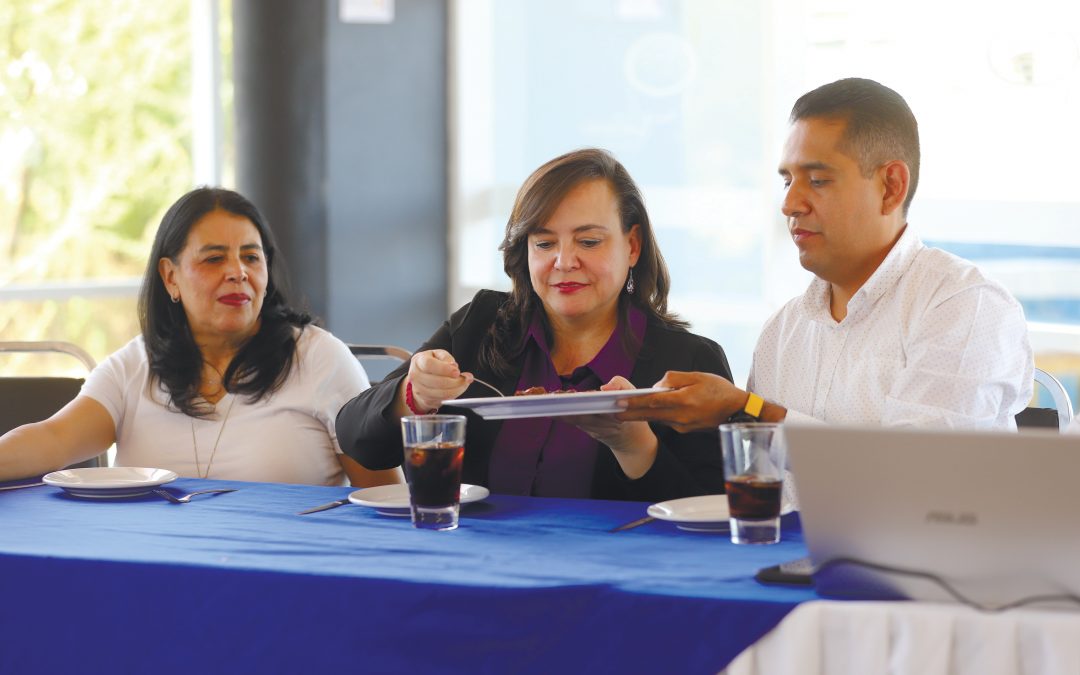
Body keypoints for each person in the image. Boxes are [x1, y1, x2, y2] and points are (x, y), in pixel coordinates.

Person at [621, 78, 1033, 432]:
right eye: (787, 181)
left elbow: (914, 475)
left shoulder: (961, 305)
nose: (790, 204)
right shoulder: (783, 330)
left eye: (817, 180)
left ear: (890, 187)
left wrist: (745, 409)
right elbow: (759, 479)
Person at [336, 148, 732, 501]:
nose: (564, 262)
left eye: (589, 242)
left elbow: (713, 514)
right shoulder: (481, 324)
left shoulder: (689, 359)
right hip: (477, 569)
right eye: (544, 243)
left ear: (632, 245)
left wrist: (635, 447)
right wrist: (414, 395)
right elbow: (358, 440)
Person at [0, 187, 402, 487]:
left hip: (288, 578)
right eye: (214, 259)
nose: (237, 272)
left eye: (251, 257)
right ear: (170, 276)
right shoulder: (136, 364)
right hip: (156, 574)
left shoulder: (321, 359)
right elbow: (53, 438)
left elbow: (386, 498)